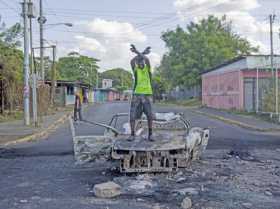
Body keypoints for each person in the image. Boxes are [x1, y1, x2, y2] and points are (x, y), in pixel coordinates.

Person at [128, 44, 154, 141]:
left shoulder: (148, 69)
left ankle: (150, 134)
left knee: (150, 115)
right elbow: (131, 61)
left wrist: (139, 52)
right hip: (137, 94)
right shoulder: (136, 70)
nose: (140, 63)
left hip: (147, 94)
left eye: (141, 61)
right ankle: (132, 134)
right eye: (138, 62)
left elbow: (147, 60)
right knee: (133, 115)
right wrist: (140, 53)